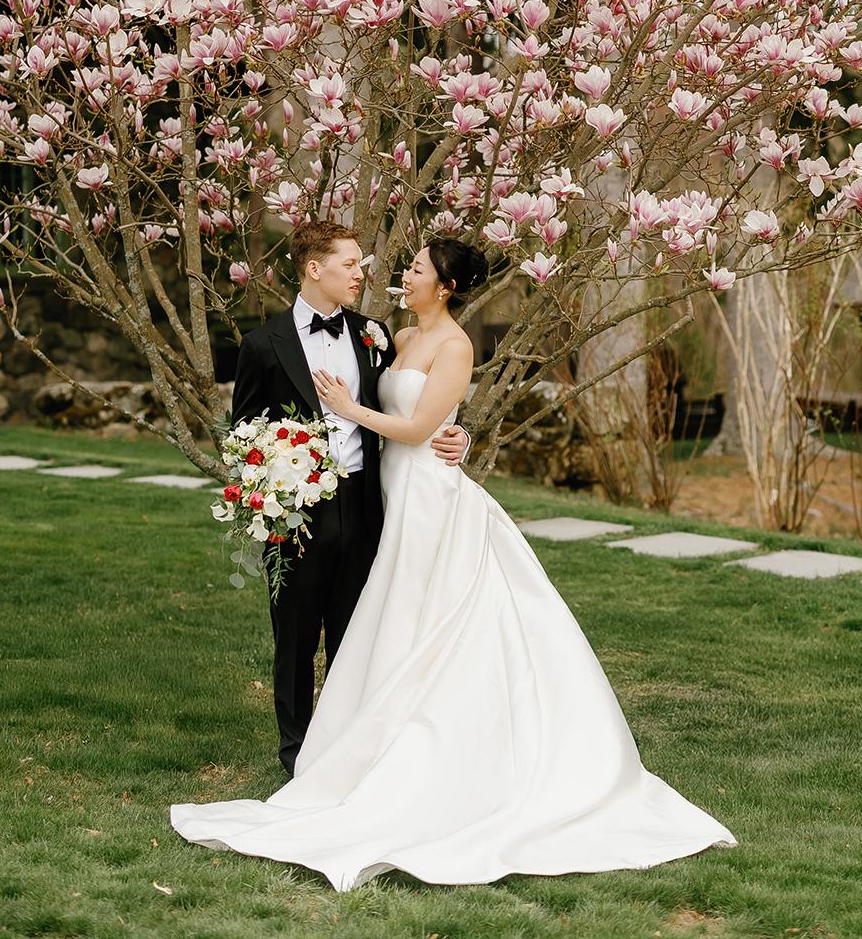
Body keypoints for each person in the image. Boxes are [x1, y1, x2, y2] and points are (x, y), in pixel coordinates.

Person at [172, 235, 735, 889]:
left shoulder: (406, 337)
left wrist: (423, 425)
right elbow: (254, 430)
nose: (386, 274)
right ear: (313, 267)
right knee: (310, 636)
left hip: (404, 505)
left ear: (443, 285)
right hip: (327, 507)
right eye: (362, 265)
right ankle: (310, 757)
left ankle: (408, 754)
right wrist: (271, 494)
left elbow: (416, 420)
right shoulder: (383, 338)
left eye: (411, 268)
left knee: (403, 625)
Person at [226, 220, 468, 772]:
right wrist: (269, 497)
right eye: (350, 265)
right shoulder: (263, 345)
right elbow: (242, 436)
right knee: (293, 633)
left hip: (366, 503)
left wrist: (459, 433)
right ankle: (295, 754)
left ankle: (346, 747)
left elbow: (417, 406)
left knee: (355, 631)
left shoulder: (375, 334)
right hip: (296, 512)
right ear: (315, 268)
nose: (362, 273)